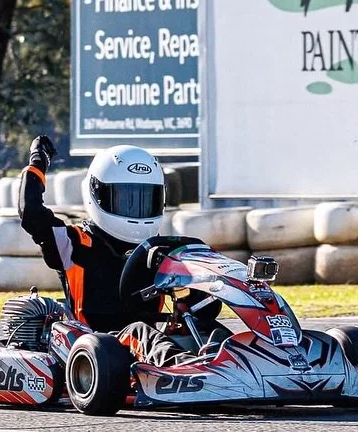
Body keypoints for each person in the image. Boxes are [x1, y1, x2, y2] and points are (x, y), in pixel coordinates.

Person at [19, 135, 216, 366]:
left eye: (145, 199)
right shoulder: (73, 243)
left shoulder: (159, 251)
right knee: (138, 331)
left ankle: (233, 363)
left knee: (207, 329)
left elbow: (203, 304)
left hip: (150, 347)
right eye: (124, 198)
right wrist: (38, 161)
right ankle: (186, 370)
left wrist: (192, 301)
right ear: (97, 194)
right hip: (93, 347)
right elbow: (31, 211)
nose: (135, 209)